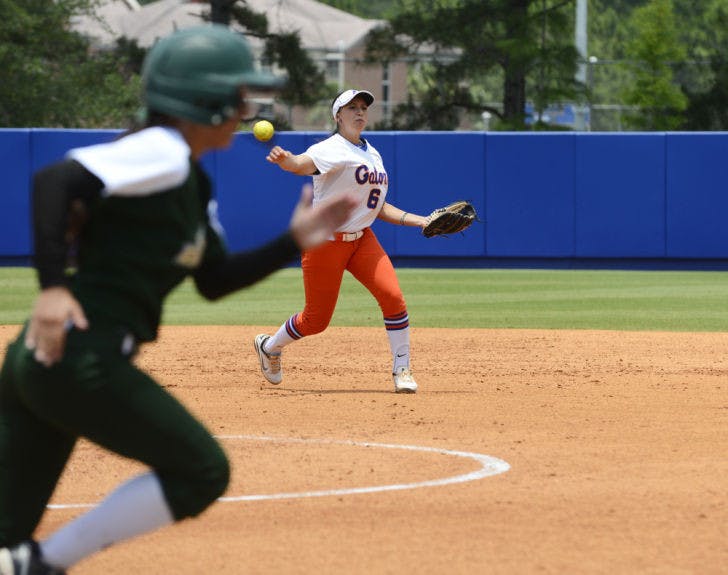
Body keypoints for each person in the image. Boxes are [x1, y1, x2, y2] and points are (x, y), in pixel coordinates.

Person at [0, 25, 356, 575]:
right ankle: (44, 565)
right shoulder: (161, 151)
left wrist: (294, 240)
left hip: (43, 360)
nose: (244, 111)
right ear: (203, 103)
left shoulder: (189, 181)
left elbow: (214, 279)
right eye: (237, 98)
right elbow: (53, 181)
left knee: (6, 539)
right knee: (202, 470)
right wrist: (51, 286)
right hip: (81, 357)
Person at [253, 88, 430, 394]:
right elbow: (299, 164)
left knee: (393, 298)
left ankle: (402, 369)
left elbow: (377, 207)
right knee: (316, 320)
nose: (360, 112)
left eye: (363, 107)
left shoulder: (373, 154)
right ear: (338, 116)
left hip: (362, 239)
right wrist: (286, 160)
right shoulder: (329, 149)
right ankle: (270, 346)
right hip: (325, 241)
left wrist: (420, 220)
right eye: (352, 108)